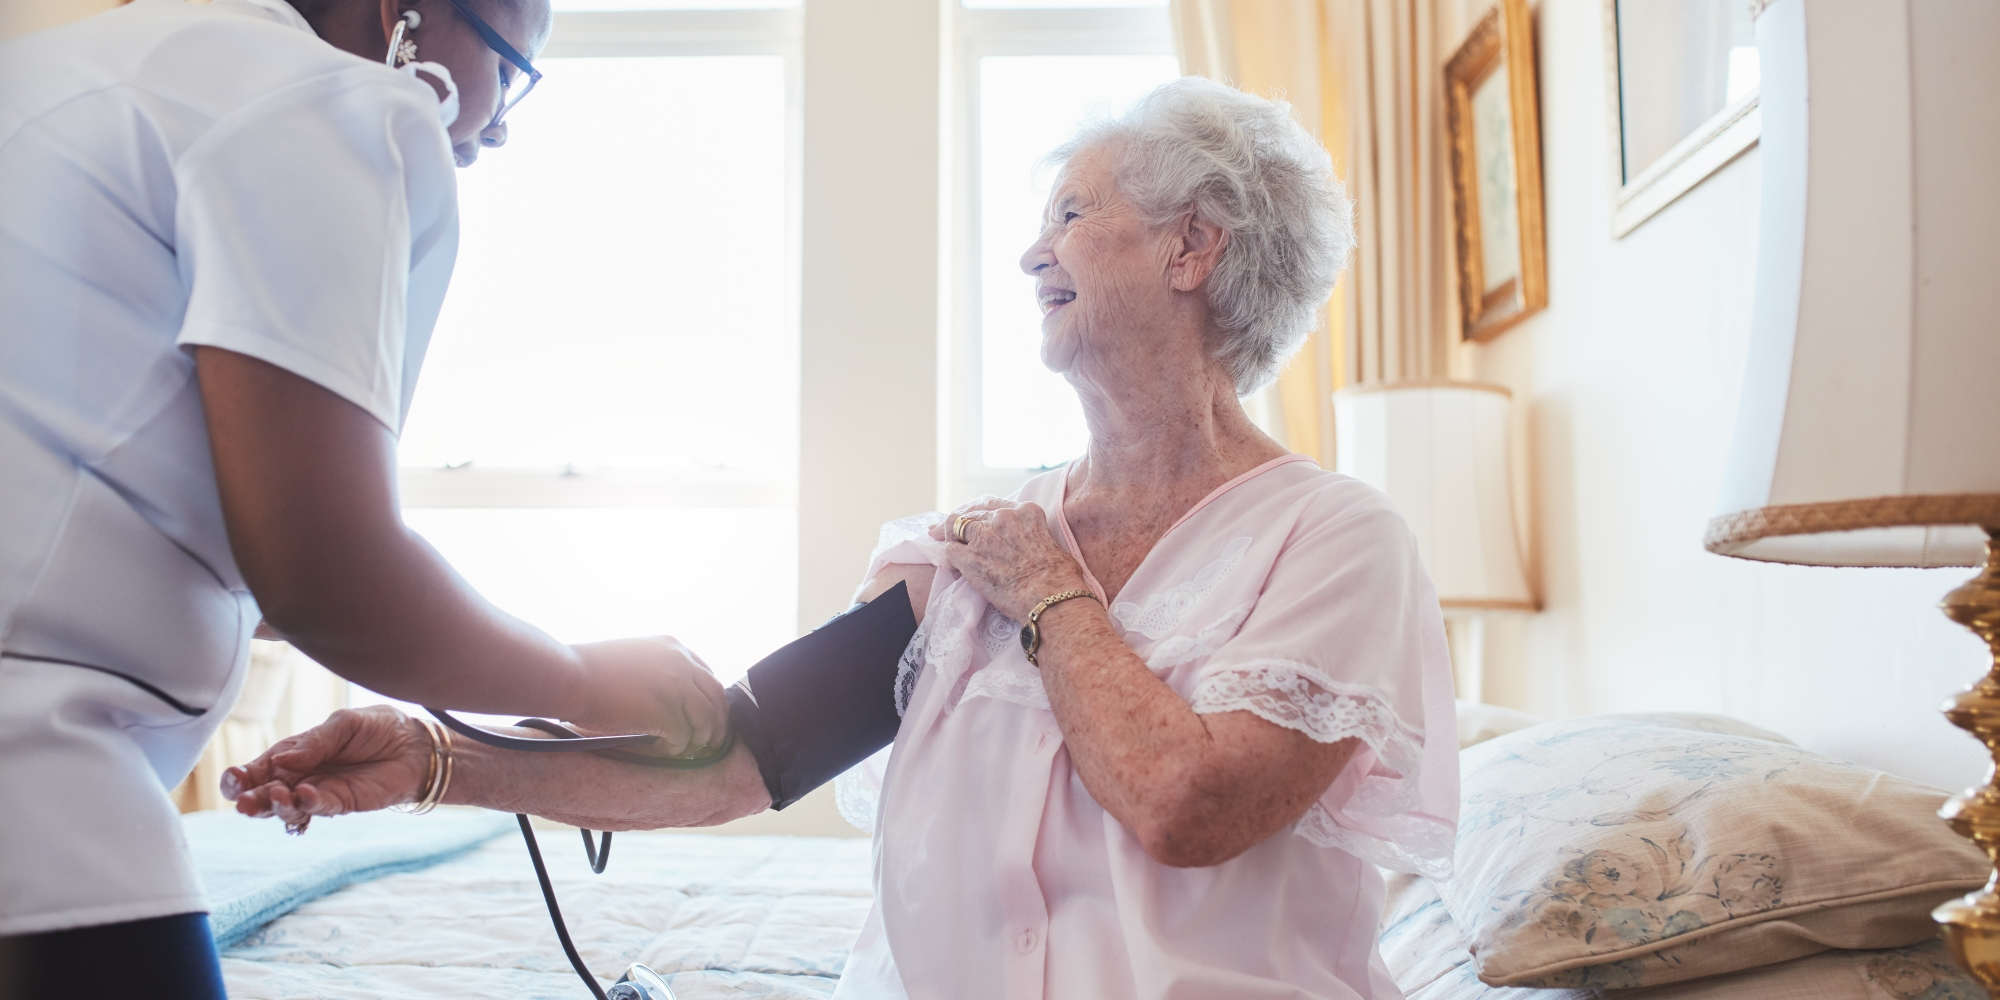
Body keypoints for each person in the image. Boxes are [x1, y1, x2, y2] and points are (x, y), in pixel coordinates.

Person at [226, 77, 1459, 999]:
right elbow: (739, 757)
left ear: (1192, 247)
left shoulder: (1336, 540)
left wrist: (1048, 592)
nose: (1032, 249)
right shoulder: (968, 548)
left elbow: (1186, 806)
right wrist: (437, 758)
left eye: (1072, 214)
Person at [0, 0, 728, 994]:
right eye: (513, 66)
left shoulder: (66, 72)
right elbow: (323, 572)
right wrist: (586, 679)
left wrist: (427, 745)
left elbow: (114, 496)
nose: (504, 120)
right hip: (35, 783)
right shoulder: (332, 103)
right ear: (406, 14)